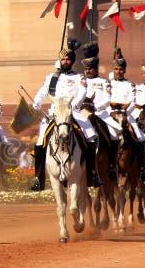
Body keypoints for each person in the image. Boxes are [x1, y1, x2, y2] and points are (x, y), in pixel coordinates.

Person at [30, 38, 102, 191]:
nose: (65, 61)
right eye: (63, 58)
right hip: (55, 114)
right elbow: (43, 92)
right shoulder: (52, 77)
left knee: (91, 136)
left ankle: (93, 173)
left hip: (73, 112)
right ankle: (38, 178)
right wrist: (36, 103)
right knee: (39, 142)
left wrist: (73, 105)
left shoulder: (78, 77)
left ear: (72, 61)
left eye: (68, 59)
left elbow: (83, 92)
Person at [79, 41, 119, 180]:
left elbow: (108, 98)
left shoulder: (104, 82)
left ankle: (112, 166)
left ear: (96, 68)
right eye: (86, 68)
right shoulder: (80, 81)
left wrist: (96, 108)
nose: (88, 70)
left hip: (99, 113)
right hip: (81, 113)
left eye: (91, 68)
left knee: (115, 133)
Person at [109, 50, 145, 181]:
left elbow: (133, 101)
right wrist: (112, 109)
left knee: (140, 136)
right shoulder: (108, 84)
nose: (118, 71)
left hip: (126, 115)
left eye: (121, 69)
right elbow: (104, 100)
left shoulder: (130, 85)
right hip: (111, 116)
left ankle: (143, 169)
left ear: (125, 70)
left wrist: (123, 109)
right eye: (116, 69)